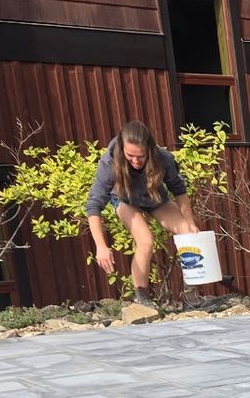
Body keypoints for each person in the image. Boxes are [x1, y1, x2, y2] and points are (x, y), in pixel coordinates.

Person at [84, 120, 203, 307]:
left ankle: (192, 297)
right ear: (122, 148)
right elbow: (93, 205)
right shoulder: (109, 162)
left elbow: (179, 191)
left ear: (150, 150)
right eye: (130, 155)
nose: (136, 161)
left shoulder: (164, 159)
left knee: (189, 235)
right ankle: (142, 299)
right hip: (125, 200)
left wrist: (189, 221)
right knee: (146, 241)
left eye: (141, 156)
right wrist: (101, 246)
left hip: (155, 199)